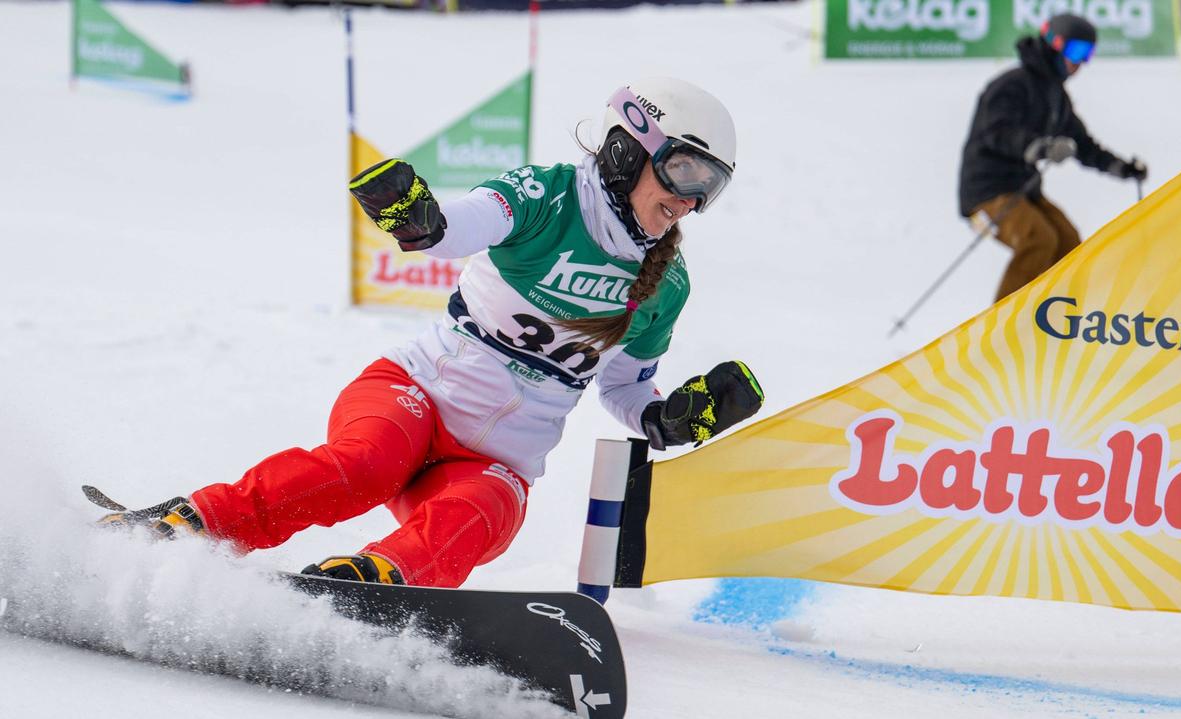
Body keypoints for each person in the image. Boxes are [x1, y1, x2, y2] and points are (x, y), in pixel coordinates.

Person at [100, 78, 765, 588]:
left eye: (712, 187)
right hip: (411, 396)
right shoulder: (550, 196)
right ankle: (190, 524)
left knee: (491, 512)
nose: (690, 200)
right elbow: (467, 221)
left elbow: (624, 388)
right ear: (629, 148)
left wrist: (666, 420)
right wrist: (422, 221)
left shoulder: (666, 284)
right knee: (367, 465)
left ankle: (368, 588)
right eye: (684, 171)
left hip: (496, 459)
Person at [958, 14, 1149, 302]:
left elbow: (1083, 145)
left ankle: (1056, 323)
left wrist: (1119, 167)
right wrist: (1038, 146)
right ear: (1054, 44)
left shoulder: (1056, 97)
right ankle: (1002, 329)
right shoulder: (1012, 84)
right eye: (1076, 52)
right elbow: (996, 131)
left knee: (1069, 244)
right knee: (1038, 239)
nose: (1080, 63)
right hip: (986, 192)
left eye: (1088, 55)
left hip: (1024, 191)